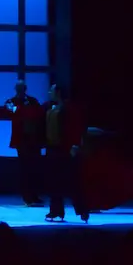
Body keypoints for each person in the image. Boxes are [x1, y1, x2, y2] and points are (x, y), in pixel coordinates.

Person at [0, 80, 45, 206]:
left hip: (34, 139)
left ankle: (35, 195)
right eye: (18, 87)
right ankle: (27, 197)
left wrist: (22, 110)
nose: (20, 90)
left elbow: (38, 113)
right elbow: (11, 112)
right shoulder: (11, 101)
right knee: (25, 168)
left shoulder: (32, 101)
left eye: (22, 87)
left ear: (25, 88)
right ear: (15, 89)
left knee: (35, 168)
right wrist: (23, 110)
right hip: (21, 140)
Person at [43, 83, 89, 222]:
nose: (49, 92)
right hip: (53, 148)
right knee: (54, 181)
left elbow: (74, 127)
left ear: (58, 92)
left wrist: (74, 145)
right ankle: (56, 211)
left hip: (65, 148)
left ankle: (82, 209)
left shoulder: (68, 108)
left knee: (71, 181)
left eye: (51, 90)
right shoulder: (52, 107)